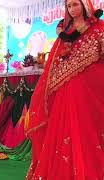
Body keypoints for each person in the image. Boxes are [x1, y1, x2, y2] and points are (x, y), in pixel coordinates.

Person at [25, 0, 104, 179]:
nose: (72, 9)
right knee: (65, 126)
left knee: (88, 127)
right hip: (66, 89)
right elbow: (55, 60)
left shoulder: (99, 27)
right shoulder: (65, 32)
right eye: (69, 6)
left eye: (75, 4)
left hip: (90, 88)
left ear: (85, 5)